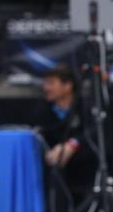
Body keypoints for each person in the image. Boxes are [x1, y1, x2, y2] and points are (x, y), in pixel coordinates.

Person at [32, 65, 95, 201]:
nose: (46, 88)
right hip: (53, 173)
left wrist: (72, 145)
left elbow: (93, 133)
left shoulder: (84, 108)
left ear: (68, 86)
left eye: (51, 83)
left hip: (84, 172)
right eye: (45, 83)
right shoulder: (42, 110)